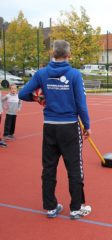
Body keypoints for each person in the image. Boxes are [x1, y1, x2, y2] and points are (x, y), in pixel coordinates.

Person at [19, 40, 91, 219]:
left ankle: (50, 207)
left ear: (53, 53)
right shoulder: (74, 74)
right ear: (69, 55)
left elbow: (23, 93)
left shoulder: (42, 73)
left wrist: (38, 99)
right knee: (74, 167)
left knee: (49, 167)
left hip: (49, 127)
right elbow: (81, 104)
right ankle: (75, 208)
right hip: (69, 127)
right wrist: (87, 125)